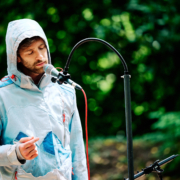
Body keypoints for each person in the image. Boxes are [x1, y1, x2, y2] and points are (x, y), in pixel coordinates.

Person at [0, 19, 88, 180]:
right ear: (17, 57)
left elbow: (77, 150)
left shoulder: (65, 90)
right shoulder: (2, 94)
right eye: (30, 52)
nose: (40, 56)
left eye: (42, 48)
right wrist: (16, 153)